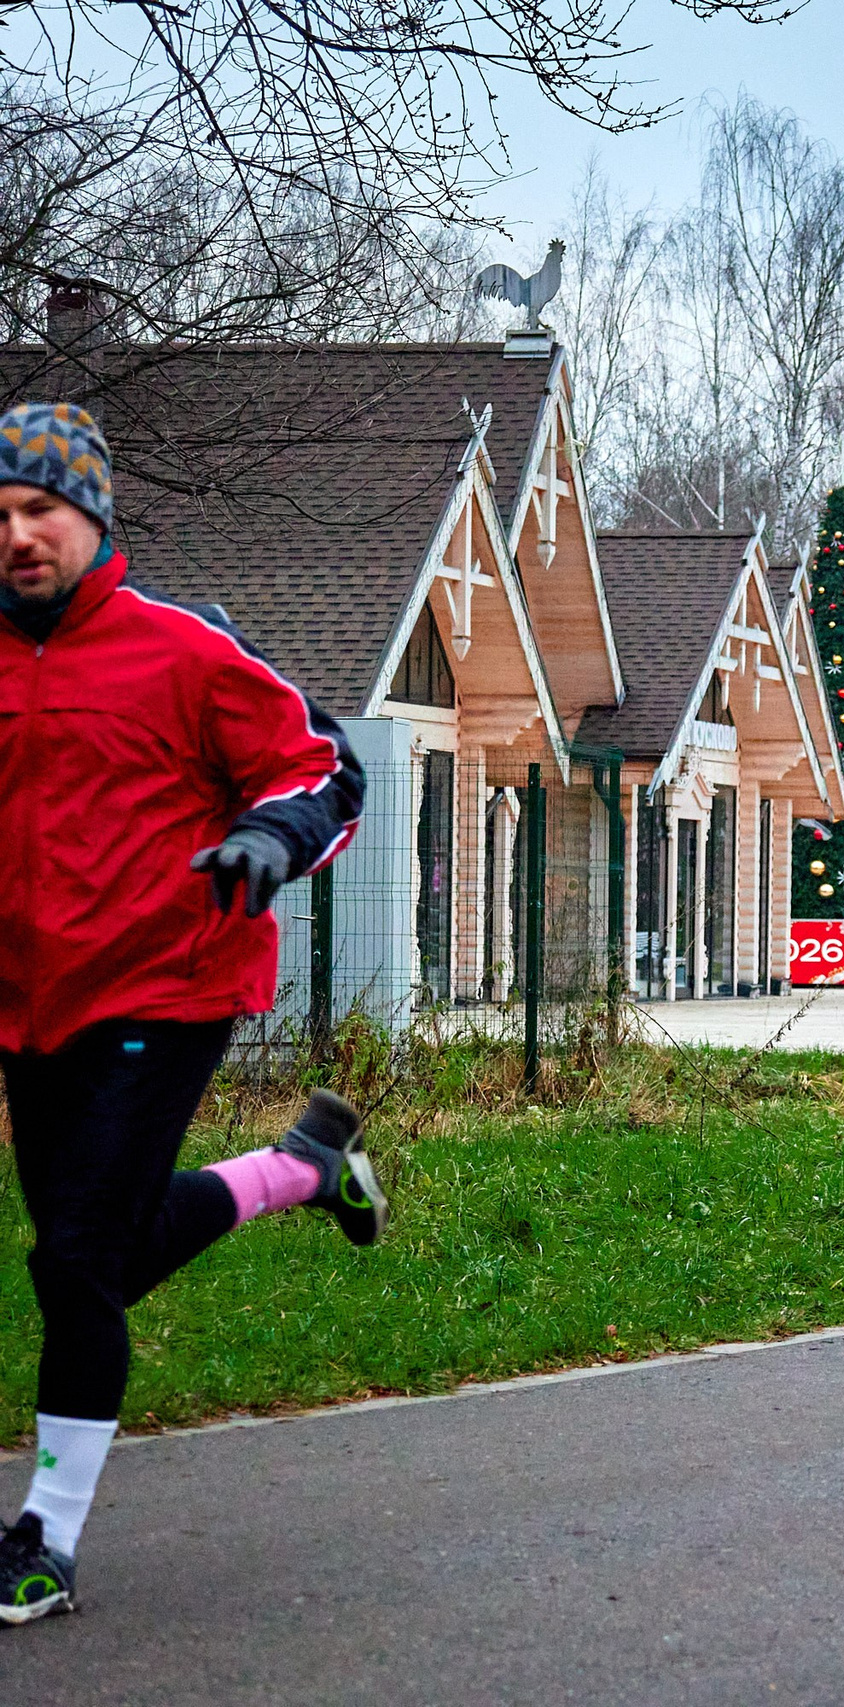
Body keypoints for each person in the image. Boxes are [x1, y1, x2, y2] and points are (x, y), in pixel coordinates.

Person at [0, 403, 375, 1624]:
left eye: (37, 510)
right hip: (31, 1003)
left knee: (74, 1261)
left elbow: (324, 764)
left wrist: (272, 836)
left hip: (172, 979)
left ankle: (45, 1541)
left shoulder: (181, 647)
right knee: (89, 1254)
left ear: (91, 516)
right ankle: (303, 1170)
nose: (16, 535)